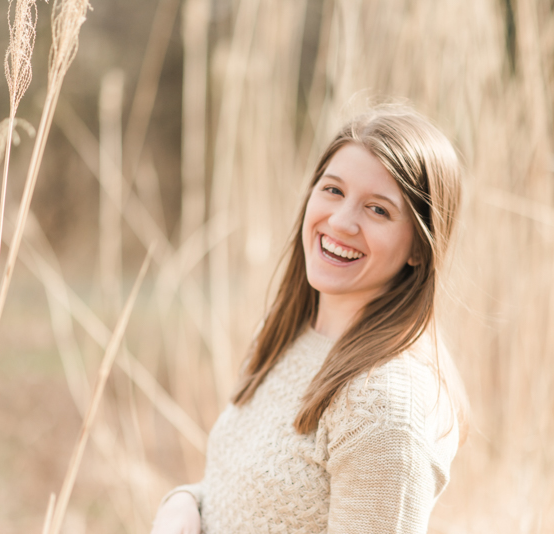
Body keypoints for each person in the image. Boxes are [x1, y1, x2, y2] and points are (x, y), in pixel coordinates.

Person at [152, 105, 469, 534]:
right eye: (333, 191)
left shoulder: (386, 408)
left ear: (419, 249)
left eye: (378, 210)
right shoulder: (286, 333)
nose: (341, 222)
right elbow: (245, 498)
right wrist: (184, 504)